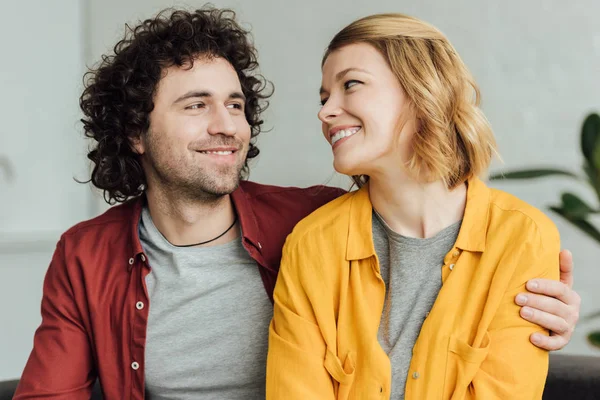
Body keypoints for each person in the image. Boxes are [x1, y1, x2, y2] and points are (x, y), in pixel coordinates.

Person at [15, 7, 579, 400]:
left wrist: (548, 309)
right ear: (135, 131)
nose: (226, 125)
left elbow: (424, 224)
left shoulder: (307, 221)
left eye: (236, 105)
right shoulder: (87, 256)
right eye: (196, 106)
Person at [266, 13, 579, 400]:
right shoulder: (312, 245)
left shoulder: (521, 238)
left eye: (351, 85)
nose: (326, 111)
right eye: (325, 97)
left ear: (422, 89)